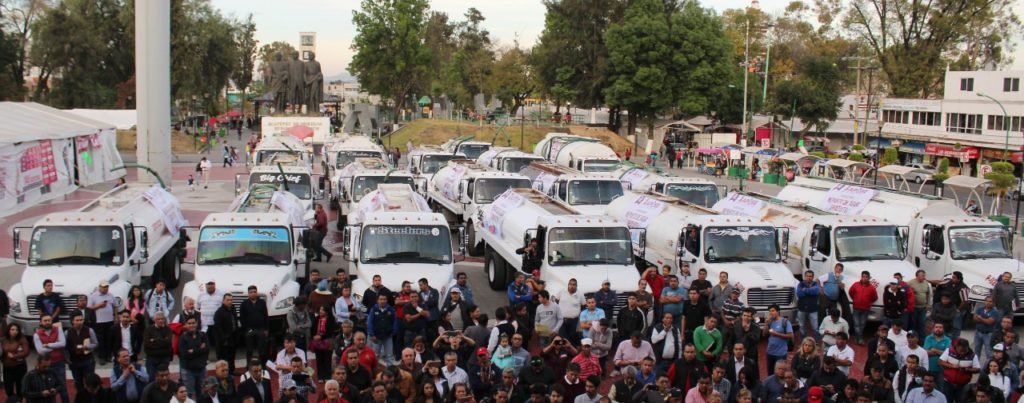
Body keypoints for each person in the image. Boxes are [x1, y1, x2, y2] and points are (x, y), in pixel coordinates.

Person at [33, 314, 69, 403]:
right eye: (45, 320)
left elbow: (63, 344)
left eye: (49, 320)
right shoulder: (36, 334)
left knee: (62, 387)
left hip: (59, 362)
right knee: (47, 388)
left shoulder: (58, 329)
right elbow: (40, 351)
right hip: (45, 365)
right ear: (40, 322)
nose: (47, 322)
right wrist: (56, 344)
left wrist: (48, 345)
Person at [89, 279, 119, 364]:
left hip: (109, 320)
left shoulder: (110, 295)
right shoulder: (94, 296)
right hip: (99, 321)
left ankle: (108, 356)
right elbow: (90, 307)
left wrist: (116, 317)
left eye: (107, 287)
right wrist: (99, 305)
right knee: (100, 340)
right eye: (103, 287)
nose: (105, 289)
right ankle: (101, 356)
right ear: (100, 287)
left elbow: (115, 306)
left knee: (109, 339)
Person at [178, 317, 210, 398]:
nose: (191, 325)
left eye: (193, 323)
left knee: (202, 393)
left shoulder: (203, 335)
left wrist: (193, 351)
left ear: (197, 323)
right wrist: (200, 349)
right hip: (188, 370)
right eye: (189, 323)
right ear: (186, 325)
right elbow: (184, 354)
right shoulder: (183, 337)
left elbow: (207, 350)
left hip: (201, 369)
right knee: (189, 393)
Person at [240, 285, 270, 365]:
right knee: (249, 351)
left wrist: (266, 329)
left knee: (262, 350)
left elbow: (266, 316)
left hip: (261, 330)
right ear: (248, 293)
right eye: (251, 292)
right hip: (249, 330)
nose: (253, 293)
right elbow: (242, 318)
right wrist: (246, 329)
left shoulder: (262, 302)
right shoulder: (244, 304)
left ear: (257, 292)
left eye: (254, 292)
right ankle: (249, 367)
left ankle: (262, 366)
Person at [848, 271, 878, 344]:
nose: (864, 278)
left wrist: (868, 302)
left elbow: (875, 297)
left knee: (862, 324)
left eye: (866, 277)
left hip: (865, 309)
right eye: (863, 276)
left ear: (868, 278)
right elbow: (850, 292)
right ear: (861, 277)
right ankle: (860, 338)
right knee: (856, 324)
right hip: (856, 308)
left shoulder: (871, 288)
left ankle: (857, 338)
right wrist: (855, 299)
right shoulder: (856, 284)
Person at [764, 304, 794, 373]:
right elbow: (764, 334)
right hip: (770, 352)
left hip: (781, 353)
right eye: (769, 311)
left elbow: (790, 335)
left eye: (773, 311)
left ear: (778, 311)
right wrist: (766, 324)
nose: (771, 313)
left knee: (780, 373)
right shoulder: (770, 322)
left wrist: (776, 334)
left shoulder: (785, 322)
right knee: (770, 372)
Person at [2, 322, 29, 398]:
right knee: (8, 388)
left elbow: (26, 352)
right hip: (7, 367)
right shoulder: (3, 340)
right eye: (12, 329)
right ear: (8, 330)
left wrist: (14, 356)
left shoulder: (22, 339)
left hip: (20, 367)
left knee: (20, 388)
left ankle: (19, 400)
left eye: (16, 330)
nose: (15, 331)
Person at [796, 270, 822, 341]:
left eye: (810, 276)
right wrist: (810, 291)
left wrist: (804, 290)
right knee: (801, 326)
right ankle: (803, 341)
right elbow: (798, 294)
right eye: (807, 276)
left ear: (813, 277)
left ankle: (816, 341)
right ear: (805, 276)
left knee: (815, 327)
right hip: (802, 308)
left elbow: (816, 291)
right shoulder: (800, 284)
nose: (809, 278)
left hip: (813, 309)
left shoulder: (815, 284)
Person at [974, 296, 1001, 361]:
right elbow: (974, 318)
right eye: (987, 301)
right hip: (978, 333)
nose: (988, 303)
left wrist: (980, 318)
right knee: (976, 351)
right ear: (984, 302)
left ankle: (989, 366)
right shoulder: (979, 309)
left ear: (993, 303)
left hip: (988, 334)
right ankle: (976, 366)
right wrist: (985, 319)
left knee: (988, 352)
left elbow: (989, 322)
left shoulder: (995, 312)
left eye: (990, 301)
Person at [908, 270, 932, 335]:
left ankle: (922, 340)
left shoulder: (926, 283)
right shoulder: (910, 283)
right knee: (913, 324)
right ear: (917, 276)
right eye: (922, 275)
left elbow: (928, 294)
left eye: (924, 275)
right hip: (914, 308)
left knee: (922, 324)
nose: (924, 277)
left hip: (923, 308)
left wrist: (928, 305)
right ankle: (912, 337)